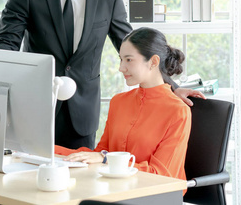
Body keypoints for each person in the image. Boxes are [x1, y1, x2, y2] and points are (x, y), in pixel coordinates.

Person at [0, 0, 204, 150]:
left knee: (79, 179)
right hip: (34, 105)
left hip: (81, 113)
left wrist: (171, 87)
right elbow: (6, 43)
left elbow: (137, 47)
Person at [55, 27, 191, 184]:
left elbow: (161, 174)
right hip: (115, 188)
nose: (121, 68)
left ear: (153, 62)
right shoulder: (118, 102)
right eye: (121, 59)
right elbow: (100, 153)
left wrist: (105, 159)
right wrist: (46, 150)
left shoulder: (178, 111)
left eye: (129, 60)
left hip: (155, 192)